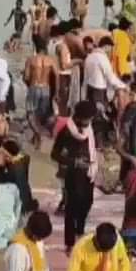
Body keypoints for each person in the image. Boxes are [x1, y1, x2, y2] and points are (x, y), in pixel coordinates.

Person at [53, 102, 97, 252]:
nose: (89, 121)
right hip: (73, 174)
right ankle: (70, 243)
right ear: (79, 117)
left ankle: (80, 230)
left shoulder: (89, 129)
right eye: (87, 119)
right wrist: (73, 161)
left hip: (89, 171)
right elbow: (55, 154)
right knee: (71, 208)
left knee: (87, 202)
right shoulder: (66, 131)